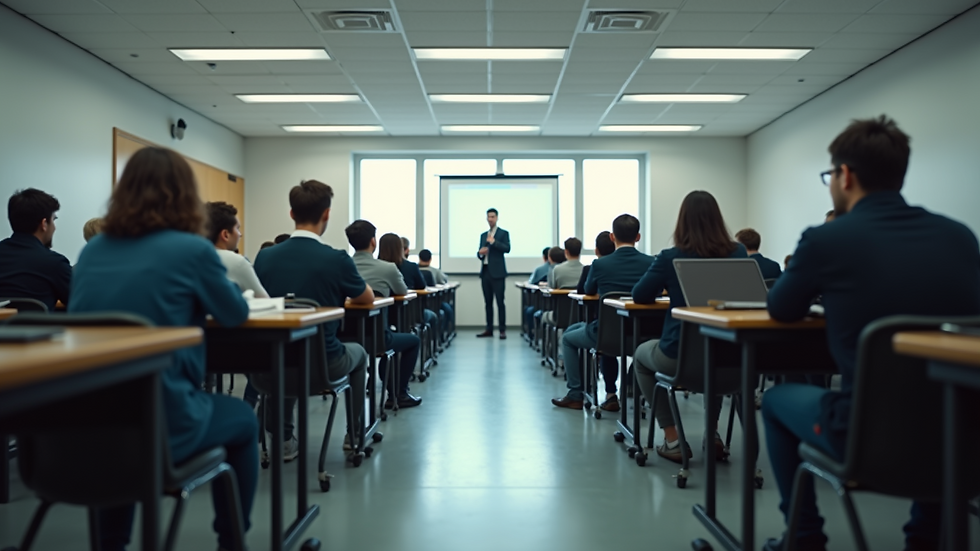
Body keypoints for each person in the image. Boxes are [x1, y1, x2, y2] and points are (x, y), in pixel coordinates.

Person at [761, 116, 980, 551]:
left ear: (845, 175)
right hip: (963, 438)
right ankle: (925, 540)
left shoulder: (826, 240)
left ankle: (803, 537)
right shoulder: (960, 237)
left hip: (865, 437)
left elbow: (781, 309)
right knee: (937, 411)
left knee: (773, 401)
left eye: (829, 175)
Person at [69, 147, 256, 551]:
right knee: (243, 418)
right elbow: (235, 313)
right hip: (165, 420)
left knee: (121, 437)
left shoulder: (92, 251)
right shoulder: (193, 250)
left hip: (88, 423)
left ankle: (111, 544)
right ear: (185, 195)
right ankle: (232, 541)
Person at [254, 180, 372, 458]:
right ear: (327, 214)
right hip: (323, 365)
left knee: (286, 352)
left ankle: (283, 440)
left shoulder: (264, 257)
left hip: (269, 369)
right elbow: (366, 298)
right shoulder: (336, 259)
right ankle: (354, 436)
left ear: (292, 213)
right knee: (360, 353)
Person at [632, 191, 748, 463]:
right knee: (714, 354)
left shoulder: (670, 257)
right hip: (733, 360)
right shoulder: (738, 252)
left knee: (640, 357)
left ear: (682, 221)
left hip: (679, 358)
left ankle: (673, 438)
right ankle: (713, 433)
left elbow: (639, 295)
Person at [552, 214, 653, 411]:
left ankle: (576, 394)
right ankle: (614, 393)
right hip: (641, 336)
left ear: (613, 237)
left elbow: (588, 290)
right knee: (584, 330)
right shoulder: (650, 262)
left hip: (607, 335)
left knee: (568, 338)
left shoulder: (600, 265)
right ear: (638, 237)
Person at [346, 220, 422, 409]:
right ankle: (399, 394)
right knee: (413, 341)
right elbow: (402, 291)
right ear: (373, 241)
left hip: (344, 339)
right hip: (377, 339)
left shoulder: (342, 267)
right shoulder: (387, 268)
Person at [0, 188, 71, 310]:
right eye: (53, 220)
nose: (54, 227)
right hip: (38, 323)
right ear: (44, 224)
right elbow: (84, 303)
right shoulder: (54, 263)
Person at [378, 233, 441, 342]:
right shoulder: (411, 267)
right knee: (433, 317)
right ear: (400, 249)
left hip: (380, 317)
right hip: (409, 314)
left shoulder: (376, 267)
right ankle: (432, 346)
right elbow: (422, 286)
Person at [206, 201, 268, 299]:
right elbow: (263, 300)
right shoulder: (237, 262)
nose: (240, 234)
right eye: (237, 228)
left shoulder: (190, 259)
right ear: (225, 235)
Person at [477, 208, 510, 339]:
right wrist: (480, 253)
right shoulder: (483, 235)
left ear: (497, 218)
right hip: (485, 272)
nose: (490, 219)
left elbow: (507, 248)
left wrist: (494, 242)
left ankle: (502, 330)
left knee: (500, 302)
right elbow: (480, 252)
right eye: (488, 217)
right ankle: (489, 329)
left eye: (492, 217)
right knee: (488, 303)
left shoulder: (503, 233)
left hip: (498, 273)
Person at [525, 246, 563, 337]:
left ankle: (532, 335)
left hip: (546, 307)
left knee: (529, 310)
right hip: (567, 310)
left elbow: (530, 283)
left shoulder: (547, 270)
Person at [418, 249, 454, 329]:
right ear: (430, 259)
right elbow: (444, 281)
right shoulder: (435, 271)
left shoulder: (414, 269)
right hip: (433, 304)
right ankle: (444, 332)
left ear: (419, 258)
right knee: (448, 309)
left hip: (416, 304)